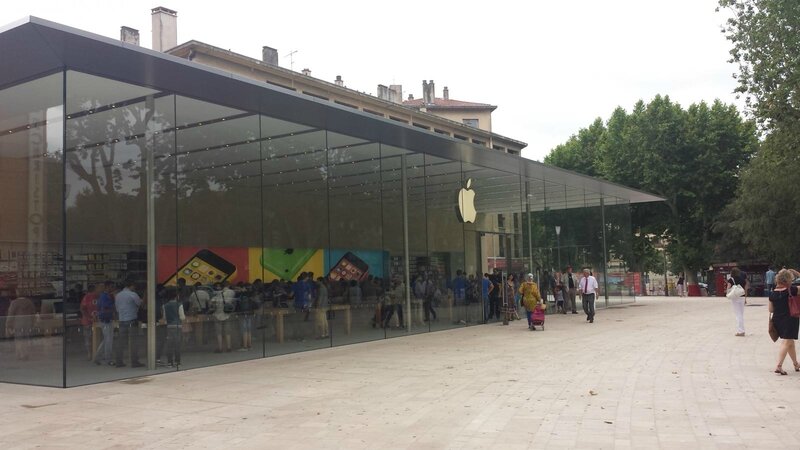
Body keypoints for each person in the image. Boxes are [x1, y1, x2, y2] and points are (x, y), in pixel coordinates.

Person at [768, 269, 799, 375]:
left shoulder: (772, 293)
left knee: (790, 342)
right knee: (786, 342)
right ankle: (779, 366)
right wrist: (798, 274)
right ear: (788, 279)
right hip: (790, 319)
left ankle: (796, 364)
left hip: (777, 320)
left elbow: (771, 309)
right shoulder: (793, 290)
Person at [114, 278, 144, 368]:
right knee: (133, 342)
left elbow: (117, 308)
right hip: (131, 320)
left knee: (121, 342)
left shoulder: (118, 295)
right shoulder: (133, 294)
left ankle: (119, 361)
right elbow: (140, 304)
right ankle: (134, 362)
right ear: (132, 285)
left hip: (122, 320)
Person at [5, 294, 36, 360]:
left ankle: (20, 354)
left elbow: (10, 315)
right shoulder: (29, 302)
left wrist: (8, 325)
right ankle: (26, 354)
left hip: (18, 324)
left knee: (18, 340)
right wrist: (33, 323)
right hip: (28, 323)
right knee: (26, 339)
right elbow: (33, 314)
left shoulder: (14, 303)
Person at [93, 281, 116, 366]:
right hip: (106, 320)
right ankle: (108, 359)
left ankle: (97, 357)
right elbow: (105, 309)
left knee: (106, 340)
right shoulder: (105, 297)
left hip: (106, 320)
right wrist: (112, 309)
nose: (112, 288)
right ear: (108, 287)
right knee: (108, 340)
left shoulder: (104, 296)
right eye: (111, 286)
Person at [161, 286, 185, 366]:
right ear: (176, 295)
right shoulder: (179, 305)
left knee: (169, 345)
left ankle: (169, 362)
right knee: (177, 344)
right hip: (178, 326)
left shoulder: (165, 305)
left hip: (169, 327)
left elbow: (164, 317)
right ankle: (177, 361)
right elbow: (182, 317)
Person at [211, 282, 235, 352]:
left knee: (219, 333)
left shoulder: (216, 295)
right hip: (227, 314)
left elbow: (211, 303)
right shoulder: (231, 292)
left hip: (217, 315)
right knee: (227, 332)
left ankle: (220, 348)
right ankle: (229, 347)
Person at [79, 284, 101, 360]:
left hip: (96, 320)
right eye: (99, 288)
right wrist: (89, 317)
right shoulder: (87, 297)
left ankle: (94, 353)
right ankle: (90, 353)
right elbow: (82, 308)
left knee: (93, 338)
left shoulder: (100, 296)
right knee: (90, 338)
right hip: (88, 321)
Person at [727, 267, 748, 336]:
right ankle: (742, 330)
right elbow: (745, 288)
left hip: (735, 297)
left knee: (738, 314)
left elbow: (728, 288)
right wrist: (745, 298)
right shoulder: (742, 279)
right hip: (742, 297)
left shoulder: (731, 279)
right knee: (741, 314)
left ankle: (741, 331)